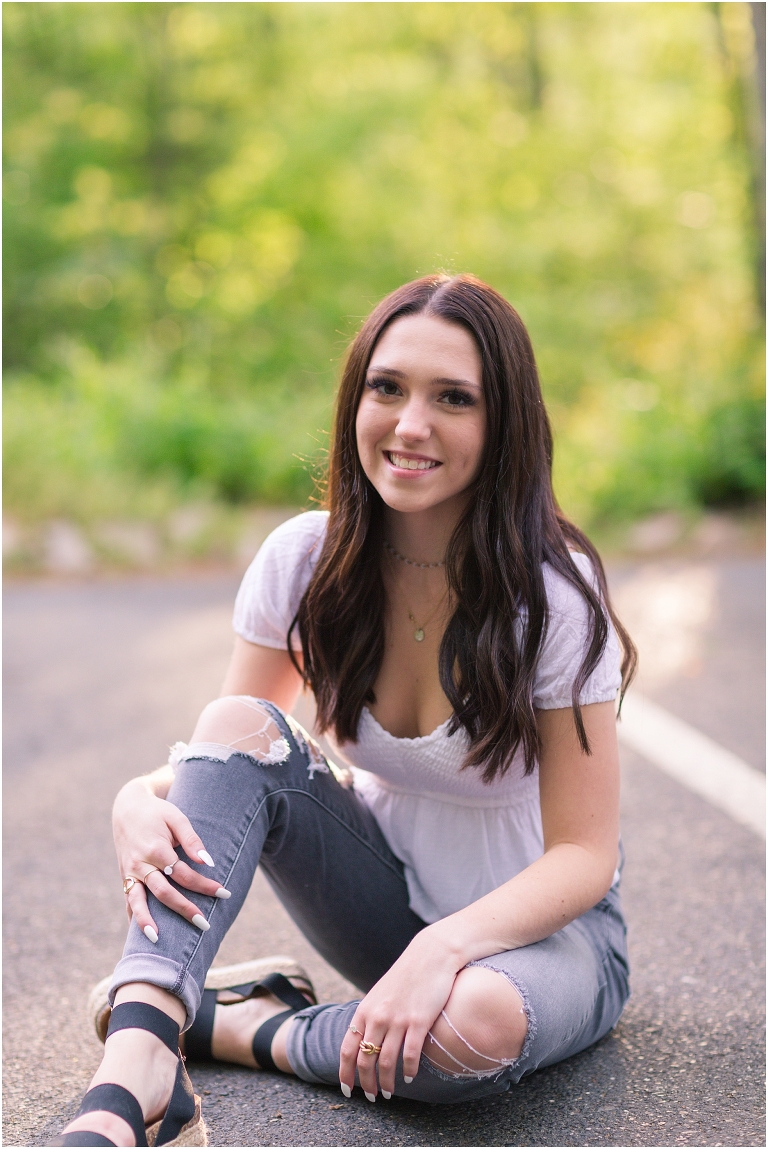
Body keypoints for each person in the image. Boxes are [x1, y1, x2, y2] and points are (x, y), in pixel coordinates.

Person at [57, 273, 636, 1147]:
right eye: (388, 387)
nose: (410, 424)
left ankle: (242, 1026)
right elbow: (236, 748)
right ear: (354, 397)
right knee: (241, 719)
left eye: (454, 398)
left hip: (546, 944)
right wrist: (135, 794)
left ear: (504, 423)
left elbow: (585, 856)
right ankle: (138, 1064)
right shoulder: (305, 559)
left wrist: (445, 951)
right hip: (384, 911)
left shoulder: (554, 596)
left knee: (467, 1029)